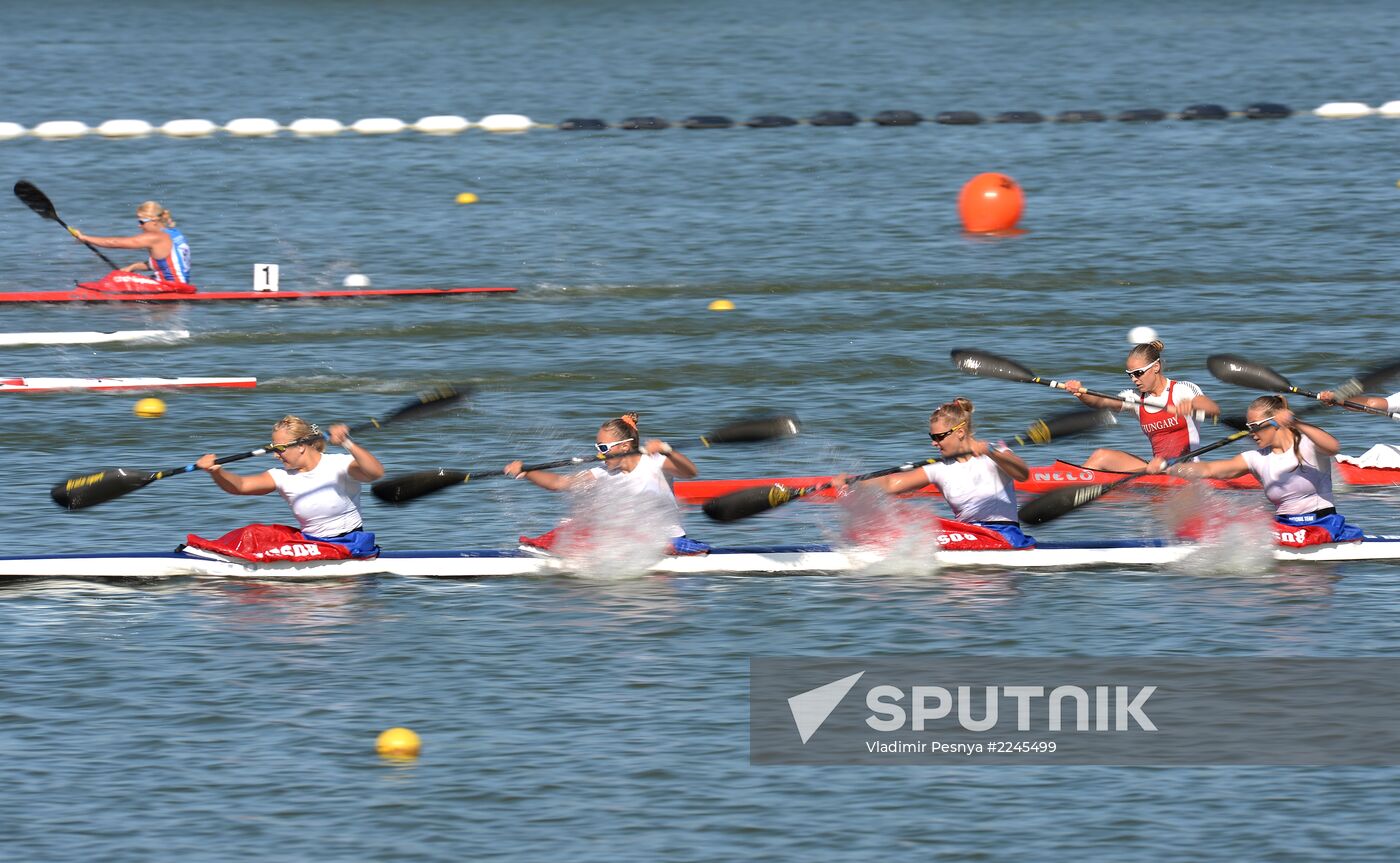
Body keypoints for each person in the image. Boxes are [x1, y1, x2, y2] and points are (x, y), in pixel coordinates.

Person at [1146, 395, 1364, 546]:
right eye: (1247, 427)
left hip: (1321, 526)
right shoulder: (1256, 458)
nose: (1250, 433)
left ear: (1275, 423)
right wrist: (1168, 467)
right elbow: (1210, 469)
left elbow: (1334, 446)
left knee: (1242, 532)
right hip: (1283, 527)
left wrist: (1296, 422)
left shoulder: (1308, 444)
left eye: (1255, 427)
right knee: (1214, 524)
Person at [837, 398, 1035, 549]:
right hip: (965, 534)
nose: (934, 443)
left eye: (939, 437)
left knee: (917, 532)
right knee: (904, 522)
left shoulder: (995, 452)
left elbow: (1022, 473)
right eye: (932, 437)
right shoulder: (938, 468)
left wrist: (990, 452)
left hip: (1004, 536)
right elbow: (890, 483)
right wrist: (855, 482)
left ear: (960, 432)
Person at [505, 413, 709, 555]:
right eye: (597, 447)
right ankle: (551, 549)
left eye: (604, 447)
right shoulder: (603, 472)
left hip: (668, 539)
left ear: (625, 446)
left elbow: (690, 472)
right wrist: (528, 471)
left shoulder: (655, 461)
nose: (599, 453)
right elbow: (559, 483)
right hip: (634, 541)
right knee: (576, 526)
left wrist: (667, 449)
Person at [193, 416, 384, 557]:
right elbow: (240, 486)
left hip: (348, 544)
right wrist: (216, 472)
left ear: (301, 446)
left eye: (280, 449)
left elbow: (375, 472)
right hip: (311, 544)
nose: (276, 455)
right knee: (253, 533)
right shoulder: (282, 476)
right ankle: (210, 554)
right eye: (273, 449)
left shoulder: (339, 465)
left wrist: (347, 442)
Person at [1063, 339, 1220, 472]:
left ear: (1156, 367)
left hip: (1187, 468)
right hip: (1156, 468)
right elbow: (1102, 402)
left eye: (1138, 373)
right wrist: (1081, 394)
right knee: (1101, 455)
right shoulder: (1136, 399)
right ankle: (1070, 486)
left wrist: (1191, 405)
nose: (1134, 379)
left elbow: (1211, 408)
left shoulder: (1181, 389)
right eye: (1130, 374)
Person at [71, 201, 192, 283]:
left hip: (172, 287)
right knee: (127, 276)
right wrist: (132, 267)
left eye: (141, 222)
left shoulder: (156, 237)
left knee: (116, 279)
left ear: (154, 221)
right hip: (181, 285)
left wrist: (85, 238)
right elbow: (165, 263)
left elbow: (115, 243)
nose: (139, 226)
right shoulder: (174, 232)